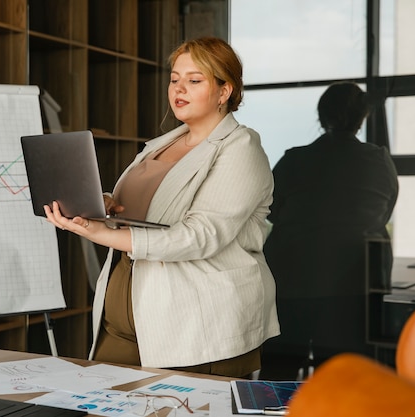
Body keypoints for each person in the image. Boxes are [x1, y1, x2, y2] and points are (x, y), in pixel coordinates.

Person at [43, 37, 280, 378]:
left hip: (195, 328)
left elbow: (200, 236)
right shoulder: (162, 144)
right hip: (122, 323)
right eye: (174, 79)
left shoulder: (241, 148)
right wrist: (104, 206)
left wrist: (98, 234)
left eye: (194, 80)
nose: (179, 89)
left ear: (224, 90)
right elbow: (143, 213)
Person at [262, 81, 399, 376]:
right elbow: (382, 214)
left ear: (321, 117)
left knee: (278, 372)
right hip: (354, 284)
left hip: (292, 280)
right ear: (362, 118)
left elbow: (270, 210)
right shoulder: (378, 161)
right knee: (339, 376)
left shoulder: (294, 159)